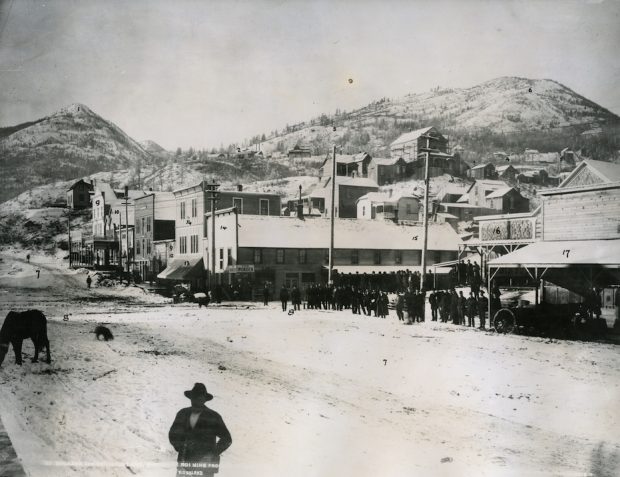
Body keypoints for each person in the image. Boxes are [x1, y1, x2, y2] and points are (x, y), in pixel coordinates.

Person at [169, 383, 232, 477]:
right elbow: (173, 434)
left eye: (200, 399)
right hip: (185, 463)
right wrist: (180, 447)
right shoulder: (182, 413)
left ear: (204, 400)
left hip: (205, 466)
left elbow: (227, 439)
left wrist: (212, 454)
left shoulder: (213, 416)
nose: (196, 401)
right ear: (191, 398)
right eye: (194, 398)